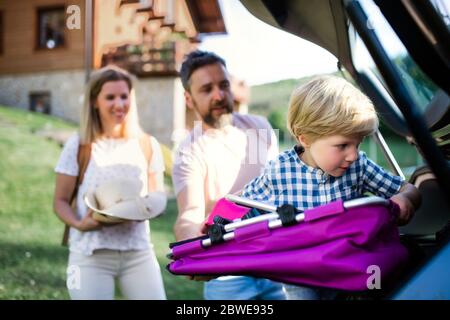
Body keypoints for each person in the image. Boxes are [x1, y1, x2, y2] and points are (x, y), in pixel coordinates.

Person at [241, 75, 421, 300]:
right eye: (343, 145)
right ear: (305, 138)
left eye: (359, 142)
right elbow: (242, 206)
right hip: (300, 273)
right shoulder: (278, 171)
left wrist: (406, 199)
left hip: (354, 265)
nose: (353, 154)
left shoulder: (359, 166)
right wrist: (216, 224)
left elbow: (408, 189)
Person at [172, 50, 286, 300]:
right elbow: (189, 214)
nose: (219, 95)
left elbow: (278, 187)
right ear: (188, 99)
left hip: (276, 262)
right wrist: (192, 249)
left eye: (223, 85)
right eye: (206, 89)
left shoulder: (259, 128)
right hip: (228, 273)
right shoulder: (189, 152)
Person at [53, 65, 167, 300]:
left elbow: (157, 194)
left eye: (124, 96)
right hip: (89, 253)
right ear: (95, 101)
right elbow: (60, 201)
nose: (119, 104)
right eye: (110, 97)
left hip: (138, 252)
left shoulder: (147, 144)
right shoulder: (79, 145)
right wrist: (78, 223)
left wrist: (152, 206)